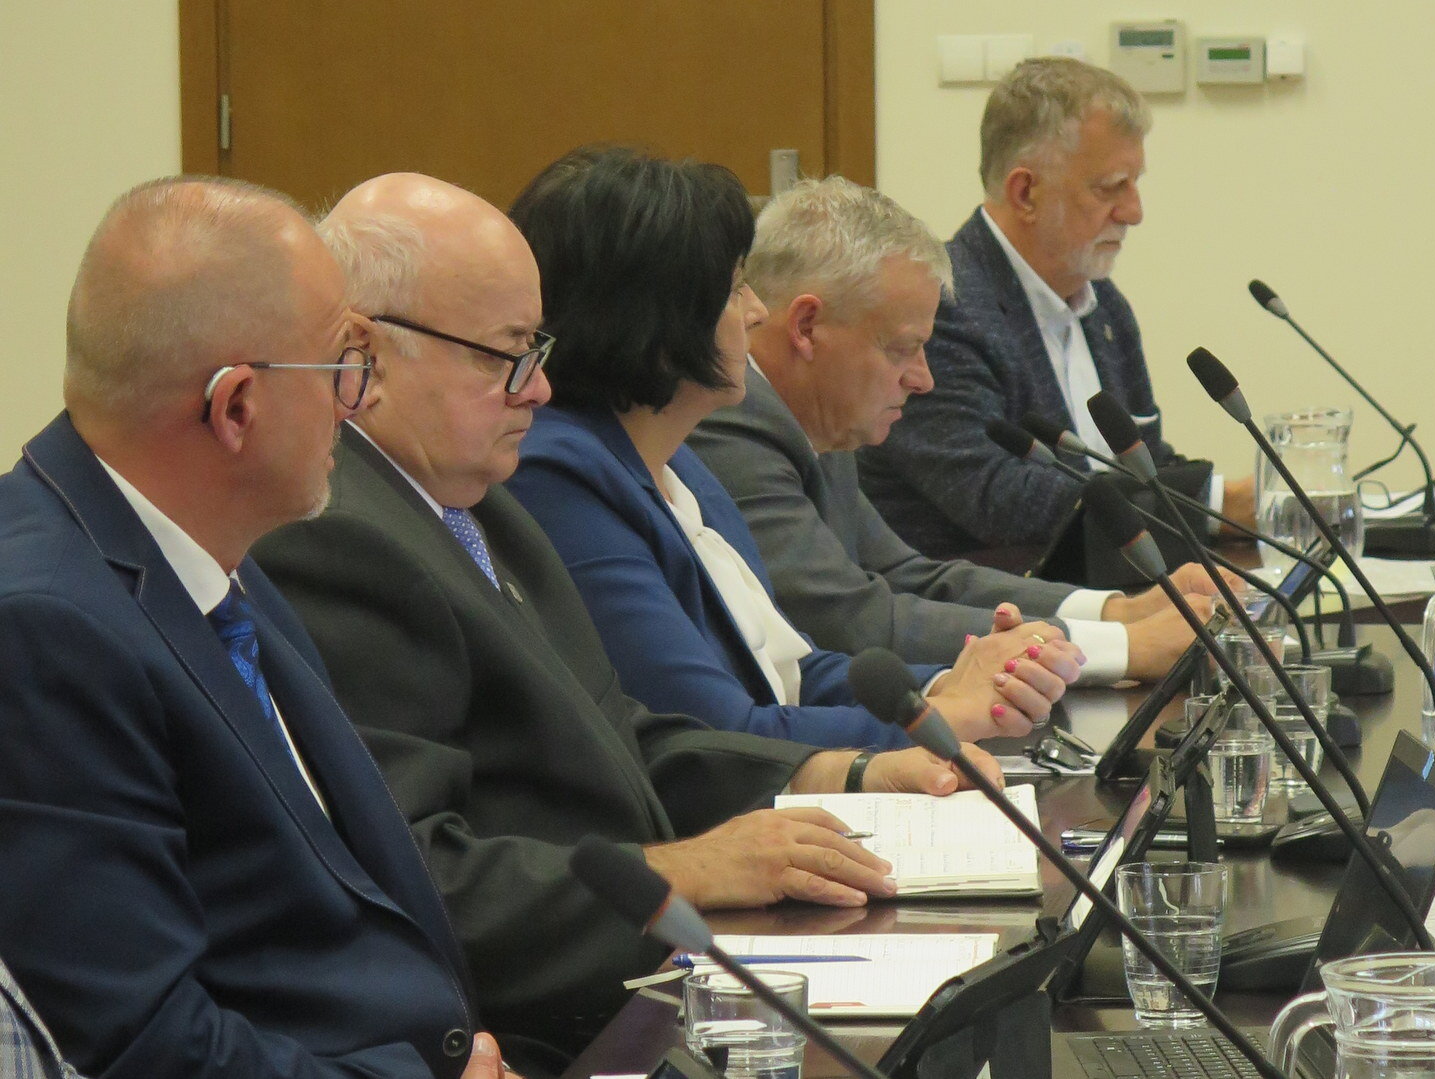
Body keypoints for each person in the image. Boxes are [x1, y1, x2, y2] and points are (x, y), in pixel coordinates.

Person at [252, 172, 1007, 1067]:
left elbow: (619, 733)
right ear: (368, 355)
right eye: (507, 355)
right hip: (545, 1028)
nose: (539, 389)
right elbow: (418, 870)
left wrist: (841, 769)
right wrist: (683, 867)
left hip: (643, 971)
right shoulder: (344, 540)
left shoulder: (477, 505)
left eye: (538, 350)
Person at [0, 177, 514, 1078]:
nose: (356, 402)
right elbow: (144, 1045)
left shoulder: (210, 554)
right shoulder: (43, 630)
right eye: (344, 363)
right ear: (235, 406)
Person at [502, 149, 1082, 750]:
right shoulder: (561, 476)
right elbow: (720, 735)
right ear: (656, 319)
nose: (757, 311)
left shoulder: (679, 465)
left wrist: (945, 685)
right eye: (735, 290)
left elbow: (791, 671)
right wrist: (949, 716)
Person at [690, 176, 1224, 681]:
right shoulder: (732, 423)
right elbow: (856, 622)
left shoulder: (816, 410)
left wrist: (1117, 611)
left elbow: (911, 576)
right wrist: (1124, 648)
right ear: (807, 327)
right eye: (902, 349)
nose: (923, 379)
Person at [857, 57, 1256, 559]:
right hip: (987, 598)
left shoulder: (1105, 309)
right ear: (1026, 193)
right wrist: (1216, 503)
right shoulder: (941, 306)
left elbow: (1145, 465)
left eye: (1135, 183)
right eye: (1111, 187)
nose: (1134, 212)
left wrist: (1240, 503)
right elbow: (998, 498)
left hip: (1117, 590)